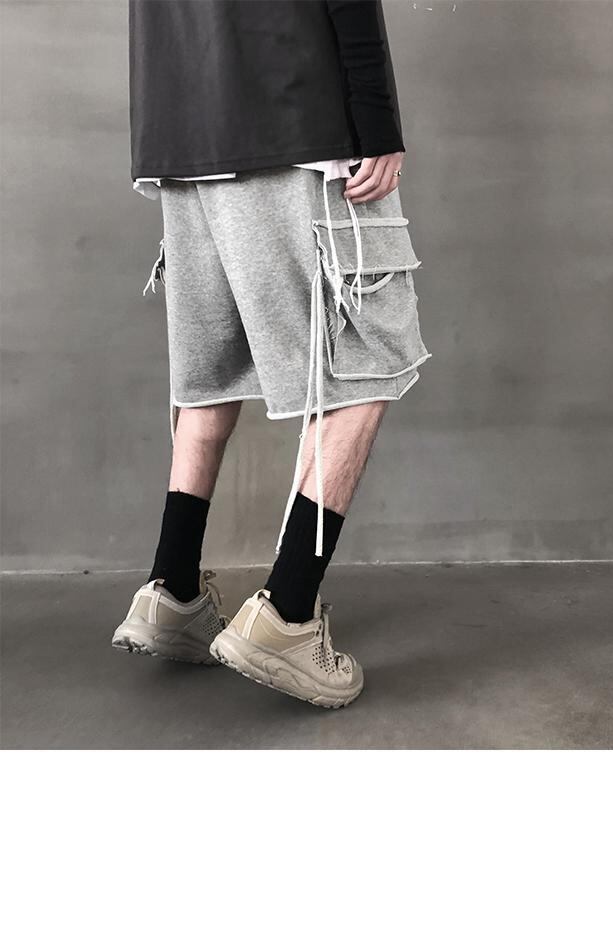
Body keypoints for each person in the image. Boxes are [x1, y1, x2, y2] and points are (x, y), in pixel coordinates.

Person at [111, 0, 430, 709]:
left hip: (177, 128)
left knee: (211, 370)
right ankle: (287, 614)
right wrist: (376, 122)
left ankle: (172, 592)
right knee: (364, 359)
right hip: (293, 118)